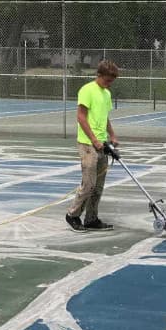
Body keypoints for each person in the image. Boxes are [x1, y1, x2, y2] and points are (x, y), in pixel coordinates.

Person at [65, 60, 119, 231]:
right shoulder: (87, 90)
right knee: (88, 184)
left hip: (102, 144)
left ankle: (91, 218)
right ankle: (72, 215)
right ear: (99, 75)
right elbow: (81, 117)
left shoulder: (106, 94)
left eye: (111, 81)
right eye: (107, 80)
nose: (109, 84)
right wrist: (94, 140)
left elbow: (105, 118)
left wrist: (112, 135)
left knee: (98, 186)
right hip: (88, 144)